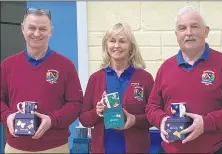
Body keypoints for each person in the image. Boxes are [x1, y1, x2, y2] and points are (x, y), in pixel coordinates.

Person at [146, 6, 222, 154]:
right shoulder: (166, 68)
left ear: (206, 31)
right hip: (170, 150)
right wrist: (162, 120)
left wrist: (206, 123)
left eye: (195, 26)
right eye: (182, 28)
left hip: (214, 150)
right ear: (176, 34)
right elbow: (152, 106)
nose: (188, 32)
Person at [0, 8, 83, 153]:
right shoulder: (7, 65)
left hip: (55, 148)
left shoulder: (66, 65)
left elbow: (76, 103)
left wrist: (52, 120)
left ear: (51, 31)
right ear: (23, 29)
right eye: (32, 28)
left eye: (43, 29)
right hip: (16, 148)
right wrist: (7, 116)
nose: (37, 33)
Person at [79, 23, 154, 153]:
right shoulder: (95, 78)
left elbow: (154, 116)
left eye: (122, 41)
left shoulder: (145, 78)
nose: (117, 46)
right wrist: (96, 112)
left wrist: (135, 120)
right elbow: (84, 118)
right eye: (112, 41)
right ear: (106, 45)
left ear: (131, 46)